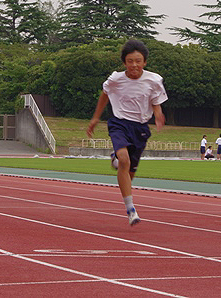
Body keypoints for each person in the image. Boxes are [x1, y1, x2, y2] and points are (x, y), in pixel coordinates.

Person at [87, 39, 167, 226]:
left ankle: (117, 160)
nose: (134, 65)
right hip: (119, 123)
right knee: (124, 160)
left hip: (140, 127)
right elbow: (105, 94)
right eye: (130, 61)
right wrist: (96, 118)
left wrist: (158, 114)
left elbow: (155, 101)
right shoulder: (115, 79)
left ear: (144, 62)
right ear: (124, 62)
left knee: (129, 171)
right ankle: (130, 209)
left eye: (138, 61)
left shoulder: (153, 80)